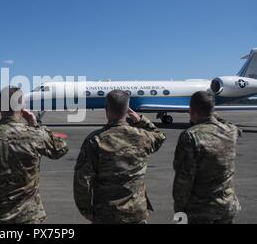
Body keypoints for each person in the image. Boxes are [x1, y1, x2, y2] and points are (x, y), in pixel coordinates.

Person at [0, 86, 69, 224]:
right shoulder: (35, 135)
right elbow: (60, 149)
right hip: (30, 219)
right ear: (22, 107)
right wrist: (36, 125)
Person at [74, 90, 166, 224]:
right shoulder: (143, 137)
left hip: (106, 215)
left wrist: (87, 211)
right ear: (127, 110)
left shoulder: (95, 140)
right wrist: (140, 120)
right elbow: (160, 136)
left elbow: (82, 180)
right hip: (137, 213)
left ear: (106, 109)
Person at [173, 91, 241, 224]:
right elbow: (226, 123)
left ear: (191, 110)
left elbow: (184, 179)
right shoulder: (231, 131)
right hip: (227, 206)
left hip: (200, 211)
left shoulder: (190, 136)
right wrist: (210, 112)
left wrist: (179, 210)